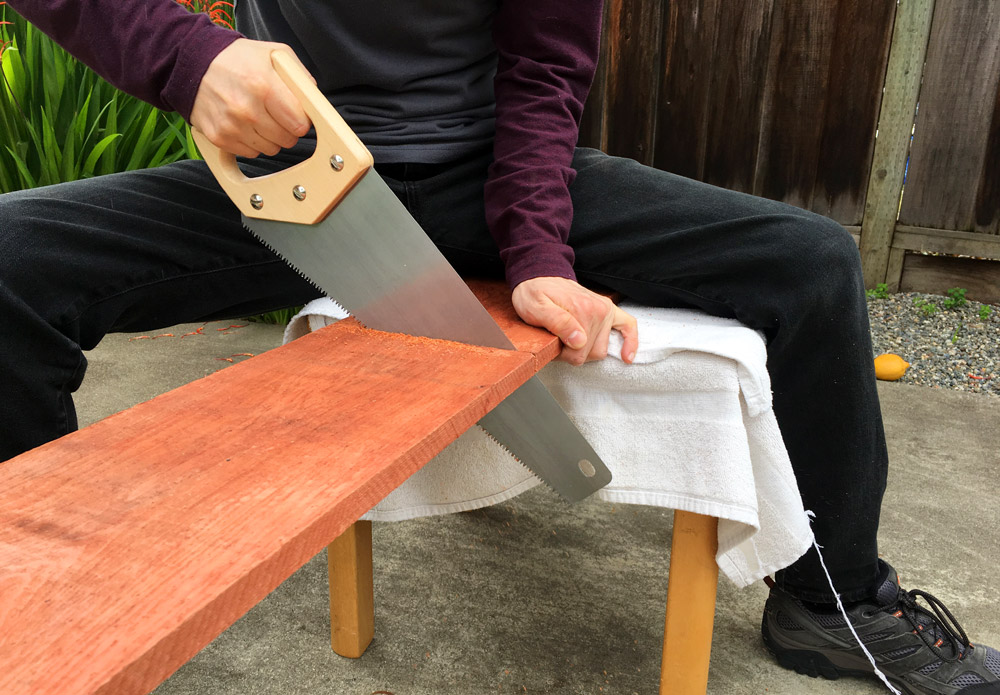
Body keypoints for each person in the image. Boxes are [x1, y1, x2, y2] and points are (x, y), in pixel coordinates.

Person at [1, 2, 996, 693]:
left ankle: (833, 601)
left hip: (490, 176)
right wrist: (190, 58)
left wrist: (537, 251)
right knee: (10, 258)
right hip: (295, 178)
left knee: (814, 262)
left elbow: (542, 68)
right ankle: (33, 610)